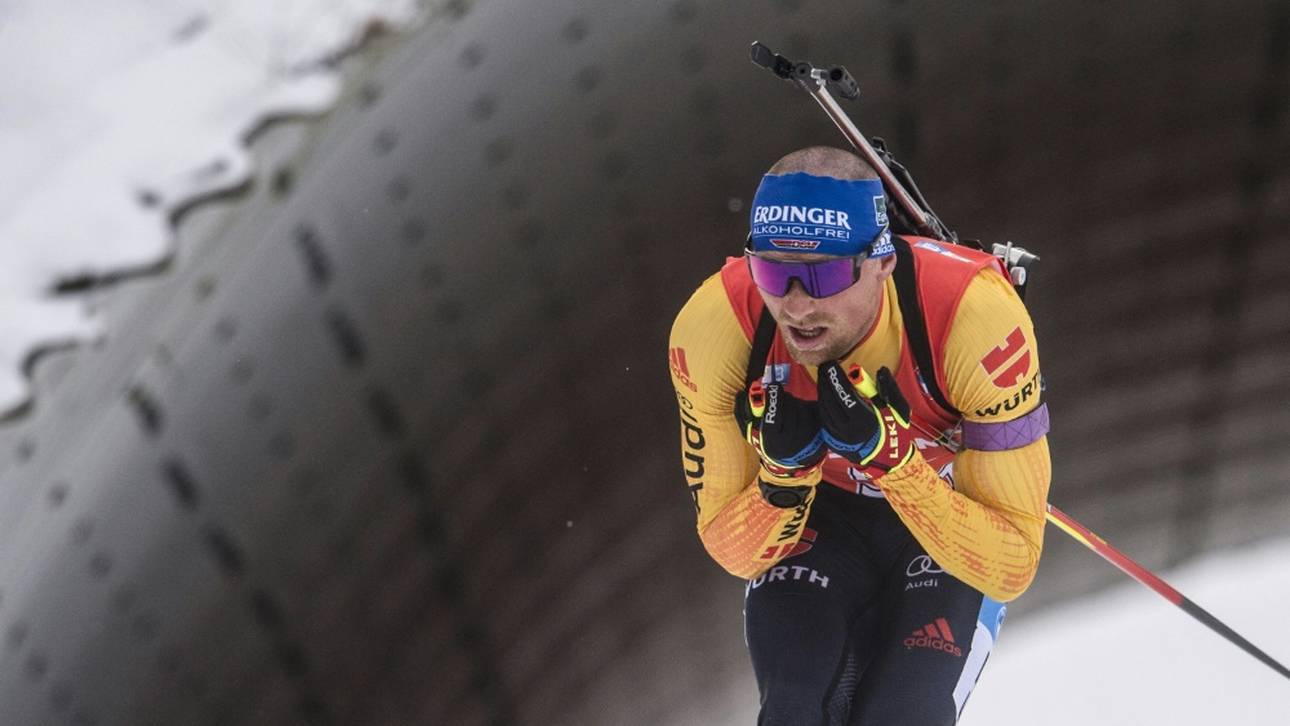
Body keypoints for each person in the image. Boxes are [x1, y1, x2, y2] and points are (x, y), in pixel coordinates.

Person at [668, 146, 1051, 725]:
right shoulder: (715, 327)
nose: (795, 306)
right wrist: (783, 479)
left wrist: (894, 464)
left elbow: (1010, 564)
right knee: (795, 711)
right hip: (822, 525)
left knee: (905, 715)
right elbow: (731, 549)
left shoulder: (975, 316)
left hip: (942, 526)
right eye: (773, 272)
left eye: (821, 274)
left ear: (882, 261)